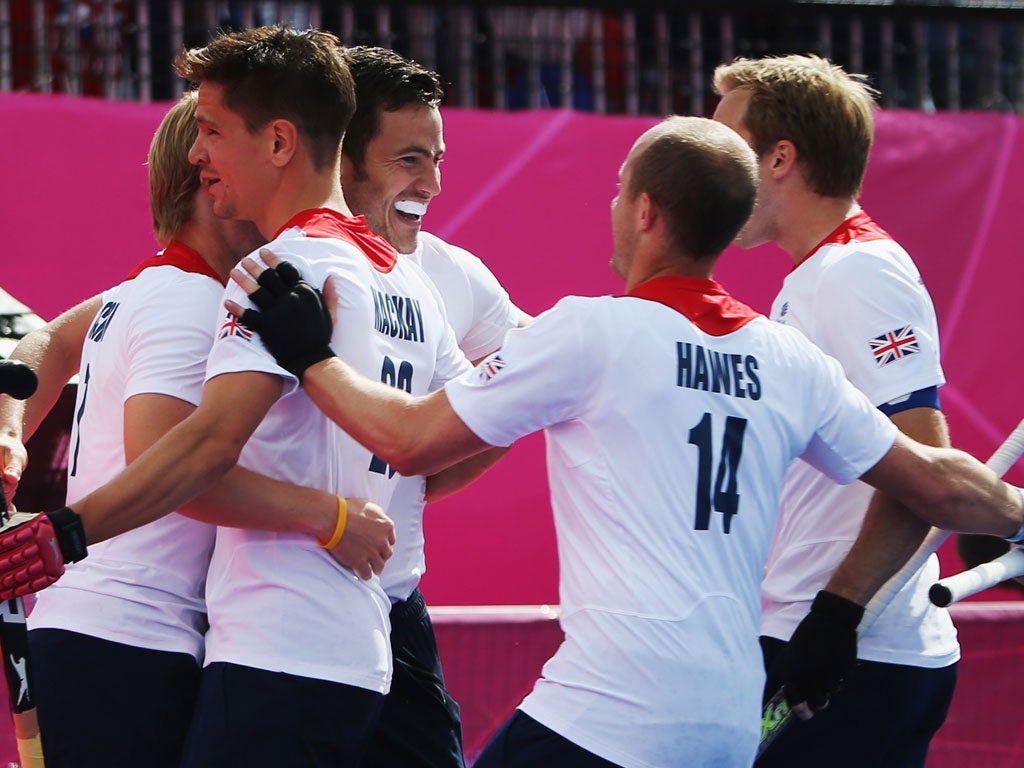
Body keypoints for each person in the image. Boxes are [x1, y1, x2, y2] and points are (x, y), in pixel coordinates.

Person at [220, 115, 1024, 767]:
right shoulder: (792, 362)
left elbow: (408, 441)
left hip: (610, 713)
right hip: (731, 723)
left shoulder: (589, 333)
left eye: (618, 192)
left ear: (644, 211)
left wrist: (312, 354)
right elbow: (937, 480)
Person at [0, 25, 470, 766]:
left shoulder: (276, 268)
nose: (199, 151)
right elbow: (455, 431)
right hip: (352, 646)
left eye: (214, 131)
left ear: (278, 143)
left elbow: (202, 450)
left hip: (270, 648)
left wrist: (62, 533)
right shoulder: (409, 280)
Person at [711, 54, 959, 767]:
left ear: (780, 158)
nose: (714, 167)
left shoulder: (856, 273)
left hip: (855, 650)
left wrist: (838, 611)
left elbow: (924, 460)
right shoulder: (818, 275)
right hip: (838, 641)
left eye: (729, 145)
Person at [338, 44, 531, 768]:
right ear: (343, 160)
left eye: (438, 157)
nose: (435, 183)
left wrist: (430, 472)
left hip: (394, 608)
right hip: (271, 623)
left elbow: (536, 370)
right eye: (410, 159)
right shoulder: (271, 261)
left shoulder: (448, 272)